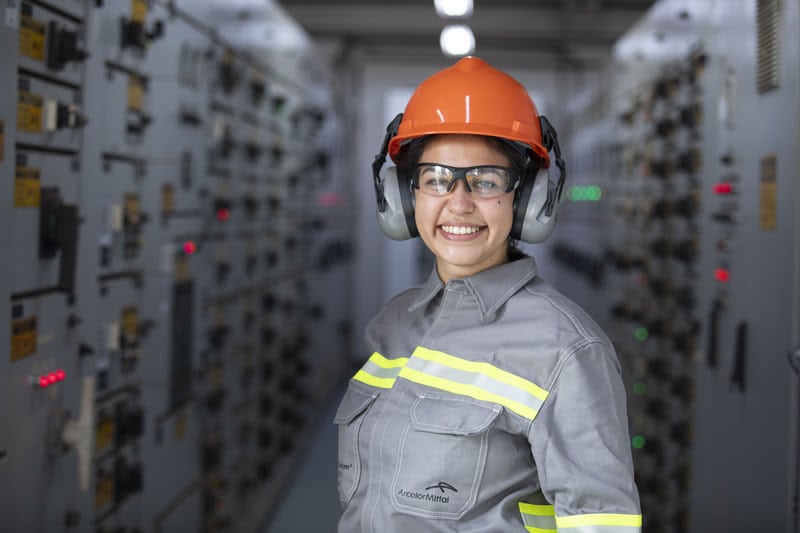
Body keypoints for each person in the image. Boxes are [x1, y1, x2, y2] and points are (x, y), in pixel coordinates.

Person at [335, 56, 642, 532]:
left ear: (526, 199)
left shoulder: (566, 351)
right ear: (405, 196)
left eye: (486, 180)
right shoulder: (394, 324)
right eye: (436, 178)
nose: (458, 202)